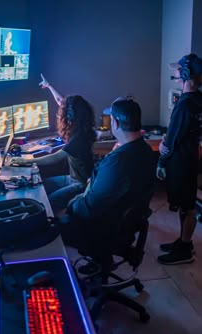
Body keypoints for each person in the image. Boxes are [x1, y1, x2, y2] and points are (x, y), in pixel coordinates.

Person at [59, 97, 155, 260]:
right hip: (124, 222)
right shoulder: (145, 150)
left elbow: (90, 207)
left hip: (104, 228)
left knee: (55, 225)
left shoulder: (117, 162)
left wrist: (73, 204)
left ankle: (95, 262)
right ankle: (101, 261)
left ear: (115, 123)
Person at [11, 75, 96, 215]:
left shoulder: (80, 137)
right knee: (38, 186)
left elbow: (55, 158)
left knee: (48, 202)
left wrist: (26, 161)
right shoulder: (82, 126)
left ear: (70, 116)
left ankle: (54, 227)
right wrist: (49, 86)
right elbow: (61, 102)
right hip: (71, 178)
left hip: (80, 184)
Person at [157, 53, 202, 265]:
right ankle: (184, 241)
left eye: (178, 69)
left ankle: (184, 250)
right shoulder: (197, 100)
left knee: (188, 206)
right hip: (190, 160)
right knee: (187, 204)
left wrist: (160, 161)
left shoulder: (184, 105)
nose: (175, 72)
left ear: (185, 73)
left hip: (181, 163)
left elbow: (170, 141)